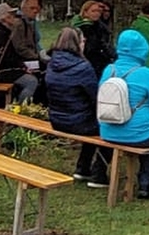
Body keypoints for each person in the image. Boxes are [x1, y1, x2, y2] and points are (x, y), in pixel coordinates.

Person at [98, 28, 149, 201]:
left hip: (108, 131)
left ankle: (144, 183)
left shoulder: (109, 70)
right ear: (142, 49)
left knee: (148, 130)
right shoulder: (146, 74)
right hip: (138, 134)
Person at [45, 26, 110, 188]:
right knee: (110, 128)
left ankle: (83, 167)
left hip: (56, 119)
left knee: (91, 123)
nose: (84, 44)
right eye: (82, 41)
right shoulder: (83, 67)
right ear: (76, 43)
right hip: (77, 121)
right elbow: (95, 97)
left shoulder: (51, 64)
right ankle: (99, 173)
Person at [0, 3, 39, 104]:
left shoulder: (4, 32)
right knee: (31, 81)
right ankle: (21, 107)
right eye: (11, 15)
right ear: (5, 18)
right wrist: (22, 67)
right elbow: (6, 59)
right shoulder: (0, 34)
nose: (14, 18)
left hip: (5, 70)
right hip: (0, 73)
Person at [72, 0, 115, 78]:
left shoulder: (100, 27)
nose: (96, 14)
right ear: (85, 12)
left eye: (98, 11)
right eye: (93, 11)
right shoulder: (82, 28)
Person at [10, 0, 46, 67]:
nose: (35, 11)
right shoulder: (19, 24)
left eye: (36, 8)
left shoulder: (29, 22)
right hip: (22, 62)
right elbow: (20, 48)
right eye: (32, 8)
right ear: (23, 9)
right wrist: (37, 57)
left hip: (32, 58)